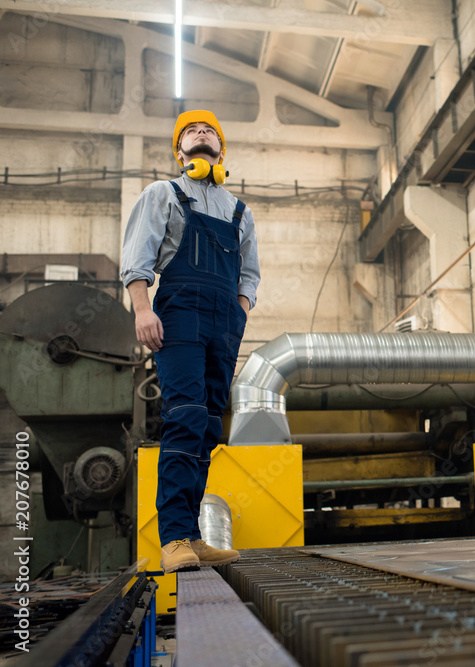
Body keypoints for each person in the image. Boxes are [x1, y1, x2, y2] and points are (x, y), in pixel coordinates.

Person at [121, 110, 260, 573]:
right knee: (185, 417)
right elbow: (137, 256)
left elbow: (249, 275)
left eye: (209, 131)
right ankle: (174, 537)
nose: (200, 134)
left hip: (224, 326)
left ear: (222, 151)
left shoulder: (240, 211)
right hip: (179, 315)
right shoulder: (164, 194)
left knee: (207, 430)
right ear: (180, 153)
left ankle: (194, 536)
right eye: (190, 132)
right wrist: (143, 309)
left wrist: (238, 316)